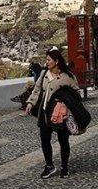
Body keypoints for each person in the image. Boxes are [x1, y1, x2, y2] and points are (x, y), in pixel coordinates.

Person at [25, 47, 80, 179]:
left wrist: (66, 100)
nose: (46, 62)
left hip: (61, 114)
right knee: (45, 139)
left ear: (56, 61)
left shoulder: (68, 76)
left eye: (49, 60)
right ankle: (49, 166)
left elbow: (77, 92)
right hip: (45, 112)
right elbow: (37, 89)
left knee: (63, 140)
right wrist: (30, 103)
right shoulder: (44, 74)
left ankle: (64, 167)